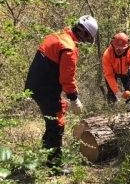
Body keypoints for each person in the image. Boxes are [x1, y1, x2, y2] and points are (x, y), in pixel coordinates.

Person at [24, 15, 98, 175]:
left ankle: (44, 154)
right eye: (87, 38)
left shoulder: (56, 36)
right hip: (45, 89)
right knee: (57, 123)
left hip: (36, 86)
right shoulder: (69, 48)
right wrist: (74, 98)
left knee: (56, 116)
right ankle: (55, 166)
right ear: (84, 32)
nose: (84, 42)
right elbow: (67, 78)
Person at [102, 32, 130, 106]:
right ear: (113, 45)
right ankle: (111, 111)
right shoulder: (107, 54)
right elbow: (109, 75)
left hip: (126, 72)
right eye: (117, 48)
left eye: (121, 49)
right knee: (111, 93)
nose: (118, 51)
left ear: (127, 47)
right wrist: (116, 91)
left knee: (129, 92)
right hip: (112, 74)